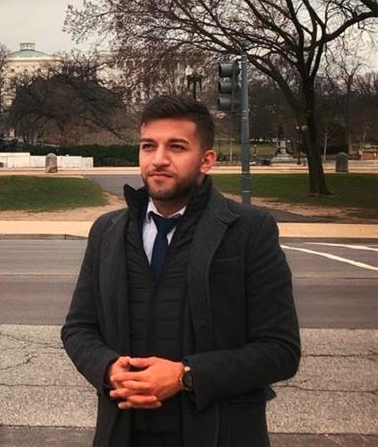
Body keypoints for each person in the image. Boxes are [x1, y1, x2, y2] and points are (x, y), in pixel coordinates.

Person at [61, 94, 300, 447]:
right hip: (123, 433)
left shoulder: (249, 230)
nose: (158, 160)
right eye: (148, 146)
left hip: (218, 434)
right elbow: (80, 328)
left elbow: (280, 350)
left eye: (176, 147)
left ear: (206, 161)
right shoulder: (107, 231)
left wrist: (185, 375)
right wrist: (109, 370)